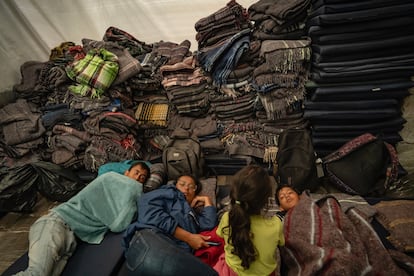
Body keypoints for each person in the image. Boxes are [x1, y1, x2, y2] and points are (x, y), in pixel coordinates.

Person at [14, 161, 150, 276]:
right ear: (126, 173)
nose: (138, 178)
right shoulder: (111, 178)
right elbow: (119, 225)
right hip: (56, 223)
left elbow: (121, 219)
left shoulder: (124, 194)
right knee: (36, 274)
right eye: (136, 173)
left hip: (71, 238)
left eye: (142, 177)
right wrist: (138, 189)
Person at [121, 174, 218, 276]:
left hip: (175, 254)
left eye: (191, 187)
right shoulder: (168, 192)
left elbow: (209, 223)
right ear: (175, 185)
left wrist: (207, 200)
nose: (186, 188)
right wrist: (188, 237)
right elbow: (148, 211)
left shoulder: (192, 215)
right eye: (182, 184)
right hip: (152, 242)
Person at [214, 165, 285, 276]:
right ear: (267, 199)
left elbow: (220, 236)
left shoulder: (227, 217)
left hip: (231, 272)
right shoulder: (276, 224)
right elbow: (282, 243)